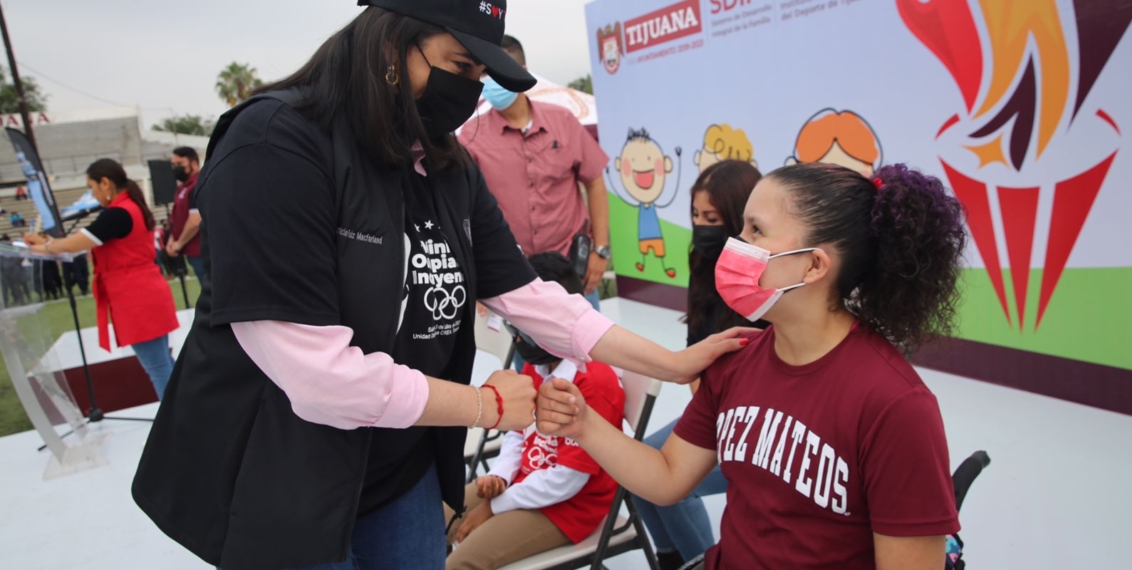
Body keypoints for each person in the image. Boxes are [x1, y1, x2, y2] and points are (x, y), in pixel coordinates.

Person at [130, 4, 748, 570]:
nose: (470, 90)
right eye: (459, 66)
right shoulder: (276, 147)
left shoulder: (444, 161)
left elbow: (527, 295)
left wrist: (671, 363)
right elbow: (319, 378)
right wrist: (488, 407)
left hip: (401, 470)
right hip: (286, 476)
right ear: (390, 44)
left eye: (480, 73)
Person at [539, 162, 968, 570]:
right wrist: (584, 425)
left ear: (814, 264)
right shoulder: (736, 359)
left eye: (756, 231)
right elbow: (668, 477)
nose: (734, 243)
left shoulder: (896, 406)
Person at [444, 252, 624, 570]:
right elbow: (518, 431)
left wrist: (495, 507)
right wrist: (499, 475)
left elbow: (568, 480)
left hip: (568, 508)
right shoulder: (539, 362)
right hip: (523, 485)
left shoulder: (595, 383)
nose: (515, 328)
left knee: (461, 562)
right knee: (432, 519)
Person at [632, 159, 761, 570]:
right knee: (640, 470)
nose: (702, 226)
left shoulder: (767, 280)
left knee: (671, 483)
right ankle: (674, 561)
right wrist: (708, 415)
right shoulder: (702, 264)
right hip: (717, 409)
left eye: (713, 218)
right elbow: (695, 354)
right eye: (695, 216)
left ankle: (703, 563)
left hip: (757, 421)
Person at [459, 35, 611, 311]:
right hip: (513, 278)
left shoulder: (562, 121)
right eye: (485, 75)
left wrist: (601, 250)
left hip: (572, 272)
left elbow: (595, 181)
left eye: (498, 73)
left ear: (522, 72)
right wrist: (477, 275)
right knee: (526, 355)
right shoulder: (471, 135)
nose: (490, 84)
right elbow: (464, 210)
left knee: (586, 350)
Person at [22, 159, 179, 400]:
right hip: (145, 293)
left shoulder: (118, 214)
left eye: (91, 187)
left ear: (105, 183)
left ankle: (176, 425)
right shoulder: (129, 208)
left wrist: (44, 246)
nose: (92, 194)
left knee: (158, 367)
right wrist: (46, 245)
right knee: (163, 363)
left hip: (136, 297)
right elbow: (74, 244)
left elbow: (74, 243)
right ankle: (184, 418)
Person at [166, 146, 204, 282]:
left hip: (204, 249)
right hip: (193, 249)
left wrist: (179, 243)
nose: (176, 168)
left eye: (180, 164)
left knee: (214, 291)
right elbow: (178, 218)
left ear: (193, 163)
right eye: (173, 165)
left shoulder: (199, 184)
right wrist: (172, 239)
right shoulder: (183, 187)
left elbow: (195, 220)